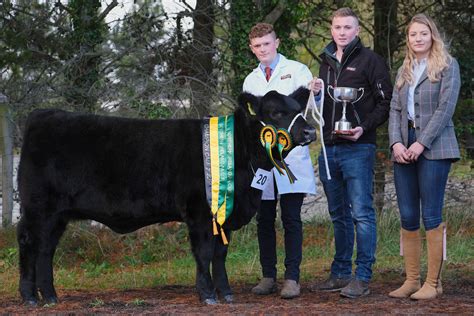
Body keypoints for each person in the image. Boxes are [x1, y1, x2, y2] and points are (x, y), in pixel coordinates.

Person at [309, 8, 393, 298]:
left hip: (358, 147)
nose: (342, 32)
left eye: (348, 27)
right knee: (338, 215)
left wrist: (363, 128)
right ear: (331, 30)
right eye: (337, 27)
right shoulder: (326, 62)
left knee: (362, 213)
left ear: (357, 30)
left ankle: (362, 276)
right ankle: (340, 271)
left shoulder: (372, 61)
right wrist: (317, 93)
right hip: (329, 148)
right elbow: (324, 107)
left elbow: (385, 103)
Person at [387, 13, 461, 300]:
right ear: (408, 39)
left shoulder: (447, 66)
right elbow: (395, 109)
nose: (418, 38)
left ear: (433, 36)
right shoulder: (404, 68)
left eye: (423, 33)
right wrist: (395, 142)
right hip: (403, 146)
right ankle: (412, 279)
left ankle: (433, 282)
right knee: (407, 214)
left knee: (431, 214)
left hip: (435, 147)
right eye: (412, 34)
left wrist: (422, 144)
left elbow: (445, 108)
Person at [242, 22, 317, 299]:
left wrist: (316, 92)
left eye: (267, 43)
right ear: (252, 48)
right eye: (257, 45)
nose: (263, 49)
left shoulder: (297, 71)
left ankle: (292, 278)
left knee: (291, 218)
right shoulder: (251, 81)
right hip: (262, 159)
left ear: (277, 42)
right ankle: (268, 276)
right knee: (263, 218)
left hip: (291, 157)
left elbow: (308, 111)